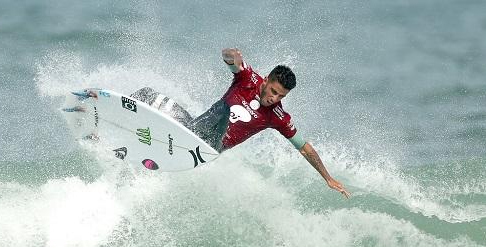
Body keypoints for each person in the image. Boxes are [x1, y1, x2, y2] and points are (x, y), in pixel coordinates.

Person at [132, 48, 350, 198]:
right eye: (273, 91)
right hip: (194, 129)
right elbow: (231, 60)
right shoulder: (247, 79)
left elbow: (304, 148)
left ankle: (181, 137)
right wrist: (231, 55)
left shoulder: (277, 116)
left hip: (210, 146)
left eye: (281, 96)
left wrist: (328, 178)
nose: (274, 98)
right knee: (146, 94)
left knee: (223, 110)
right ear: (265, 81)